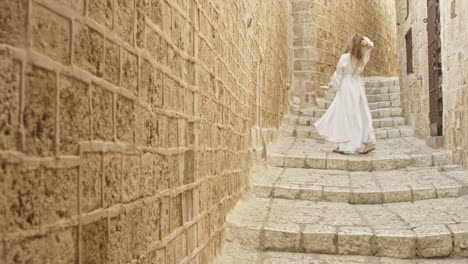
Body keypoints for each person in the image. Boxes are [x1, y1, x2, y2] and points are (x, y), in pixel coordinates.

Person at [314, 34, 376, 154]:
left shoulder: (345, 57)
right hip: (357, 86)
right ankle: (361, 141)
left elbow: (338, 75)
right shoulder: (363, 57)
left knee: (346, 115)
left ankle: (348, 145)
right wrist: (367, 42)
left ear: (352, 44)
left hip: (346, 88)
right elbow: (371, 46)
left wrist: (330, 86)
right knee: (358, 114)